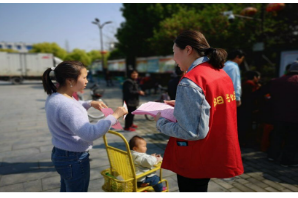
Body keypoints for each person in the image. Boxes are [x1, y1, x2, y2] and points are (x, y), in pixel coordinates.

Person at [154, 30, 244, 192]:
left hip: (195, 156)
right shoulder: (220, 73)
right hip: (213, 150)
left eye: (175, 52)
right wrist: (183, 104)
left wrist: (161, 122)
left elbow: (191, 132)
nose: (174, 59)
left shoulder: (191, 80)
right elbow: (212, 104)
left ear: (188, 50)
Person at [42, 60, 128, 192]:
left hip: (62, 153)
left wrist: (88, 103)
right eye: (84, 77)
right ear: (70, 80)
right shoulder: (66, 105)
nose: (87, 81)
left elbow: (69, 110)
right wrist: (114, 116)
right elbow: (89, 133)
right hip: (74, 158)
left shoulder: (55, 96)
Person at [255, 61, 298, 167]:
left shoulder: (276, 81)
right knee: (291, 140)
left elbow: (261, 94)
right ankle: (287, 161)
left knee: (277, 137)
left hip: (277, 115)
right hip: (294, 117)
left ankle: (272, 156)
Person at [237, 70, 261, 147]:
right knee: (246, 126)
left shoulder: (244, 83)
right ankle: (244, 142)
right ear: (254, 77)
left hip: (242, 108)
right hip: (248, 109)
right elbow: (253, 97)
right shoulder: (250, 84)